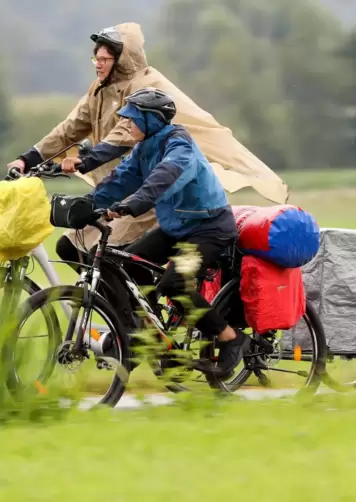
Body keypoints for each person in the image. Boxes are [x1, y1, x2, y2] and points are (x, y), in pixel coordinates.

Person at [90, 87, 250, 378]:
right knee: (120, 265)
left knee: (175, 284)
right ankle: (145, 337)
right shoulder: (144, 148)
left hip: (208, 230)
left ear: (152, 121)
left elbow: (165, 176)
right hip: (175, 228)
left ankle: (231, 338)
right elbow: (120, 180)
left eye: (133, 119)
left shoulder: (180, 145)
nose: (126, 123)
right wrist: (88, 204)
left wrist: (132, 204)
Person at [7, 24, 159, 270]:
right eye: (95, 59)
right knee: (69, 248)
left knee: (102, 258)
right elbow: (69, 129)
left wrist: (86, 161)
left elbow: (122, 136)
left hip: (139, 197)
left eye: (104, 59)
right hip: (110, 194)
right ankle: (104, 303)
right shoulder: (98, 91)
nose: (98, 64)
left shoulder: (141, 90)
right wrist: (27, 159)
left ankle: (127, 308)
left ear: (120, 61)